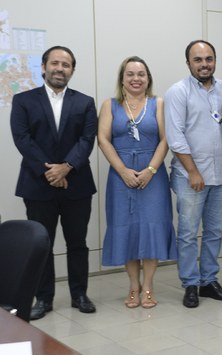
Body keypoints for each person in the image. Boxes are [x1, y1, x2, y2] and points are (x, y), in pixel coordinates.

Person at [10, 46, 98, 320]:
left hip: (77, 184)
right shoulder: (23, 100)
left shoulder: (84, 102)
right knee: (42, 244)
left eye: (66, 65)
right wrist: (49, 170)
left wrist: (67, 167)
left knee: (77, 242)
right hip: (38, 184)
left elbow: (87, 139)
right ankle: (43, 298)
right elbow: (22, 138)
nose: (60, 69)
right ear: (44, 67)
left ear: (72, 70)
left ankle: (79, 294)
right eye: (55, 63)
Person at [98, 56, 177, 309]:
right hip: (121, 177)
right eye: (130, 74)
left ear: (148, 78)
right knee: (127, 229)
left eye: (141, 74)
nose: (136, 79)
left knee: (152, 229)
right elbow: (103, 139)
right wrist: (123, 171)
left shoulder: (159, 104)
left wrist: (151, 170)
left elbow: (166, 140)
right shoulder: (110, 105)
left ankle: (149, 286)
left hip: (153, 177)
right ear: (122, 78)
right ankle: (133, 285)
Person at [165, 40, 222, 308]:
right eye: (198, 60)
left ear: (215, 60)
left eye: (209, 59)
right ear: (188, 63)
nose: (204, 64)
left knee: (215, 231)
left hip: (220, 175)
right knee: (188, 232)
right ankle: (190, 284)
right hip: (190, 176)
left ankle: (208, 281)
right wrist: (193, 171)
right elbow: (175, 136)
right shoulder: (178, 92)